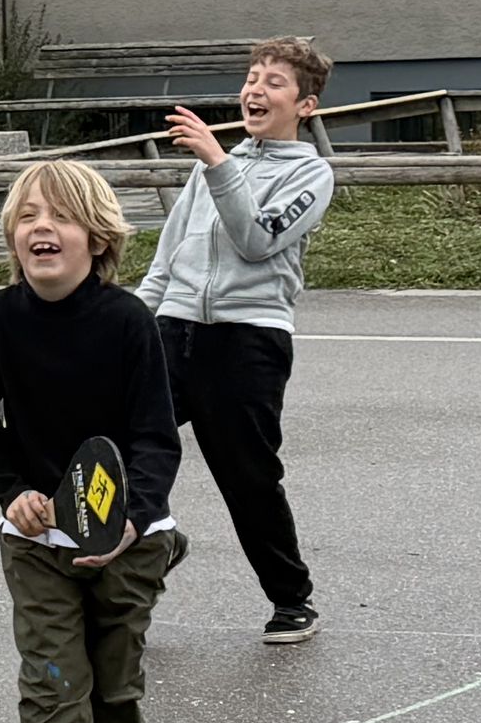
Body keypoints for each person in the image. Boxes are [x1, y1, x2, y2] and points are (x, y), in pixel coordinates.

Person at [0, 160, 184, 723]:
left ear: (98, 237)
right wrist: (13, 491)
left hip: (129, 542)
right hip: (37, 544)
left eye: (59, 217)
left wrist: (132, 519)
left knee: (114, 680)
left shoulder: (128, 322)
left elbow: (155, 437)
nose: (41, 229)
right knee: (53, 678)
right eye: (27, 217)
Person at [139, 37, 336, 644]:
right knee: (117, 450)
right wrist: (132, 327)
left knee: (247, 479)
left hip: (247, 342)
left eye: (274, 82)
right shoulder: (212, 168)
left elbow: (257, 240)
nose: (256, 90)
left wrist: (217, 163)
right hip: (174, 331)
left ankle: (292, 600)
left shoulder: (311, 173)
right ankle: (157, 543)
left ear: (305, 105)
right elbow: (167, 258)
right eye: (252, 78)